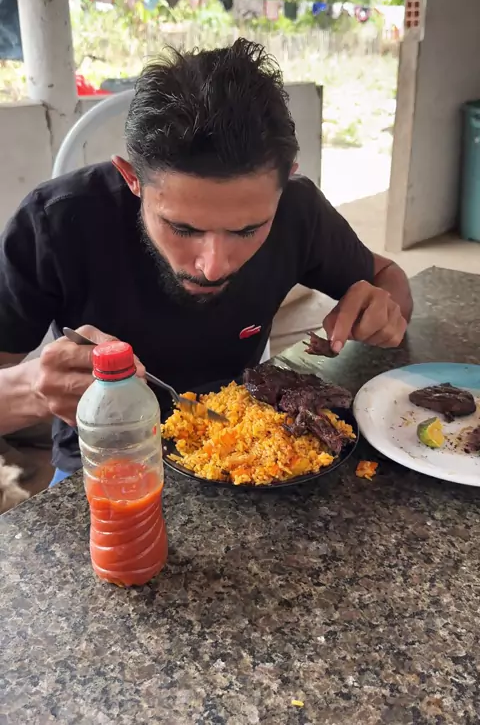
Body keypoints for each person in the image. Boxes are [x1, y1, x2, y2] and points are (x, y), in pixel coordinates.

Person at [0, 39, 412, 483]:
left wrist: (383, 310)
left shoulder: (300, 211)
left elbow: (388, 276)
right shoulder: (56, 221)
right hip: (107, 458)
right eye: (183, 228)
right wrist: (33, 389)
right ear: (132, 179)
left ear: (286, 182)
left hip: (248, 448)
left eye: (248, 230)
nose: (214, 267)